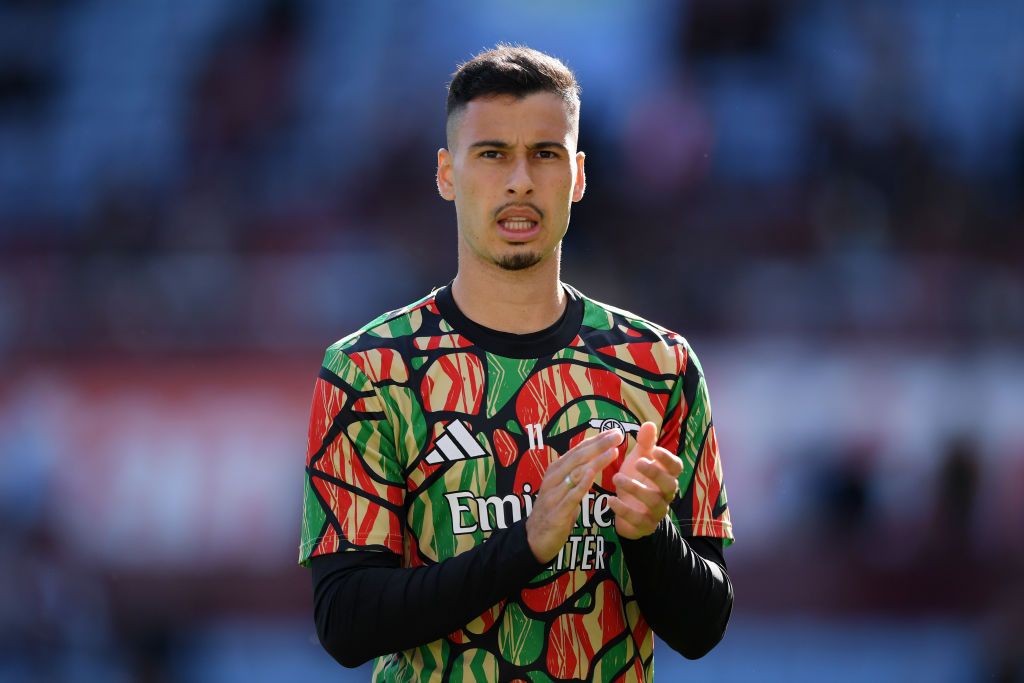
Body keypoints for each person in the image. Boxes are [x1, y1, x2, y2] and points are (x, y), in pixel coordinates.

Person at [299, 44, 734, 682]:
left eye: (545, 154)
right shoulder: (371, 370)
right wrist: (526, 543)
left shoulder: (660, 365)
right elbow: (345, 622)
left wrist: (650, 536)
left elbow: (702, 629)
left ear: (578, 176)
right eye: (493, 153)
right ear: (447, 173)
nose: (520, 180)